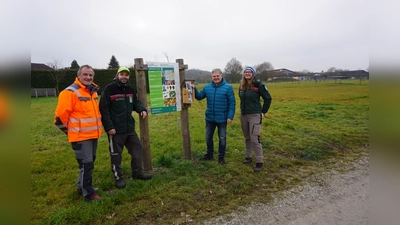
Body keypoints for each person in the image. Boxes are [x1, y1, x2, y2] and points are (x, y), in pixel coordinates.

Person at [54, 65, 103, 201]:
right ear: (78, 76)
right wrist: (70, 132)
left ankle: (82, 186)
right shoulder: (69, 92)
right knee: (86, 164)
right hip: (81, 137)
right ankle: (88, 193)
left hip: (93, 134)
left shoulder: (92, 91)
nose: (88, 77)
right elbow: (59, 118)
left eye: (90, 75)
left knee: (88, 162)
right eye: (85, 75)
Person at [99, 66, 152, 189]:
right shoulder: (109, 89)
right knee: (116, 154)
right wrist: (109, 127)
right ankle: (119, 177)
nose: (124, 77)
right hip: (115, 130)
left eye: (126, 75)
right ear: (117, 75)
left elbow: (135, 103)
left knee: (138, 149)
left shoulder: (130, 89)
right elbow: (104, 109)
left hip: (129, 128)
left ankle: (137, 173)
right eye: (122, 74)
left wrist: (142, 110)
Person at [194, 68, 236, 165]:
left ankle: (221, 157)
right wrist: (193, 88)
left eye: (217, 76)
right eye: (214, 76)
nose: (216, 78)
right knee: (208, 137)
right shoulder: (207, 87)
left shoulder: (228, 87)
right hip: (210, 118)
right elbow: (199, 96)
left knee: (222, 138)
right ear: (212, 77)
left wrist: (230, 116)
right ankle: (209, 154)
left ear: (221, 76)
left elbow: (232, 103)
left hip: (222, 118)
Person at [239, 66, 272, 172]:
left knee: (255, 138)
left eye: (249, 72)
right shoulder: (241, 86)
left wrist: (263, 111)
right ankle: (248, 156)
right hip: (244, 115)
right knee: (247, 137)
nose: (247, 73)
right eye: (245, 72)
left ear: (253, 74)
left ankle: (259, 161)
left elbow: (268, 98)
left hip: (255, 115)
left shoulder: (259, 85)